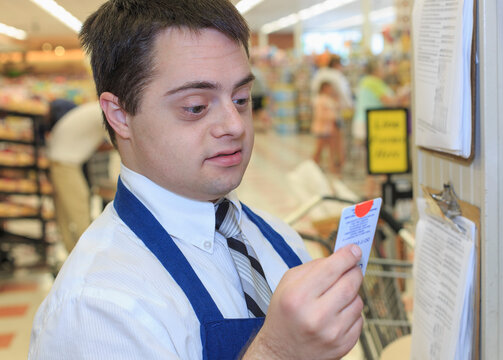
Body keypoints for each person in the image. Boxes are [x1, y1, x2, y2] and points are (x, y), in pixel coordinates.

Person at [29, 1, 364, 359]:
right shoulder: (97, 308)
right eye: (195, 107)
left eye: (241, 99)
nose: (235, 126)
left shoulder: (278, 238)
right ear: (120, 115)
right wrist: (276, 352)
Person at [47, 100, 112, 252]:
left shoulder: (97, 109)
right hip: (65, 163)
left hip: (59, 160)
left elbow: (104, 145)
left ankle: (73, 256)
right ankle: (88, 256)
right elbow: (119, 142)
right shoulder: (105, 112)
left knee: (65, 213)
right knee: (79, 209)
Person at [310, 55, 353, 173]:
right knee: (331, 147)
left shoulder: (319, 74)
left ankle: (330, 167)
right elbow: (345, 94)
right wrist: (349, 106)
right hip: (330, 123)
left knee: (325, 148)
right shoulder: (336, 76)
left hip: (325, 123)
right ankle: (333, 167)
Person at [311, 81, 340, 173]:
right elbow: (319, 115)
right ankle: (312, 167)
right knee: (319, 150)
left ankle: (331, 168)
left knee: (331, 150)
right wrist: (332, 116)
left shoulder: (329, 99)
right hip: (321, 129)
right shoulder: (320, 100)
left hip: (329, 128)